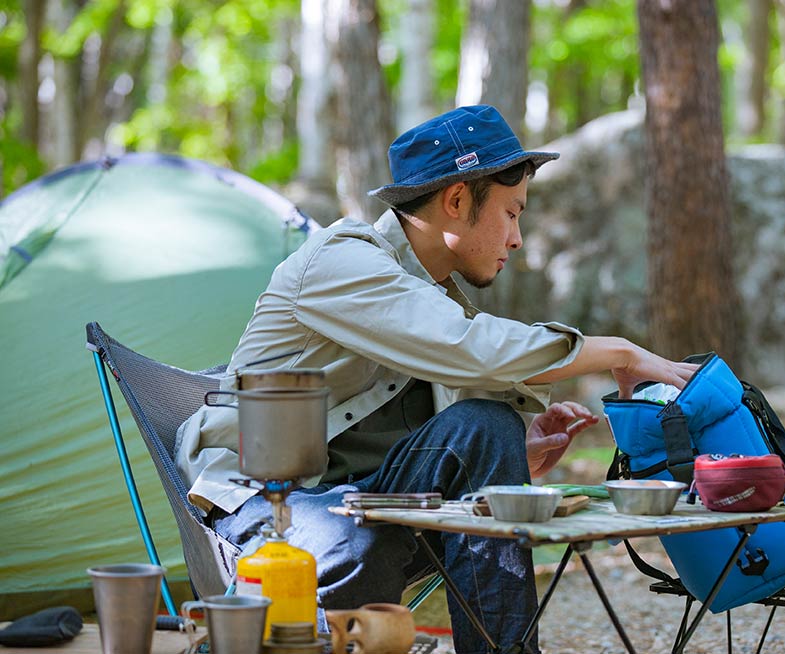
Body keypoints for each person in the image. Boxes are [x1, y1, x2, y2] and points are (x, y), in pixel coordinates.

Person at [175, 104, 697, 654]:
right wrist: (614, 350)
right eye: (511, 213)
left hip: (358, 501)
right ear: (455, 200)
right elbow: (474, 349)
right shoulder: (343, 261)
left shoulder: (437, 300)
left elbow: (460, 420)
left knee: (487, 423)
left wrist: (517, 450)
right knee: (356, 542)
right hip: (266, 498)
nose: (516, 238)